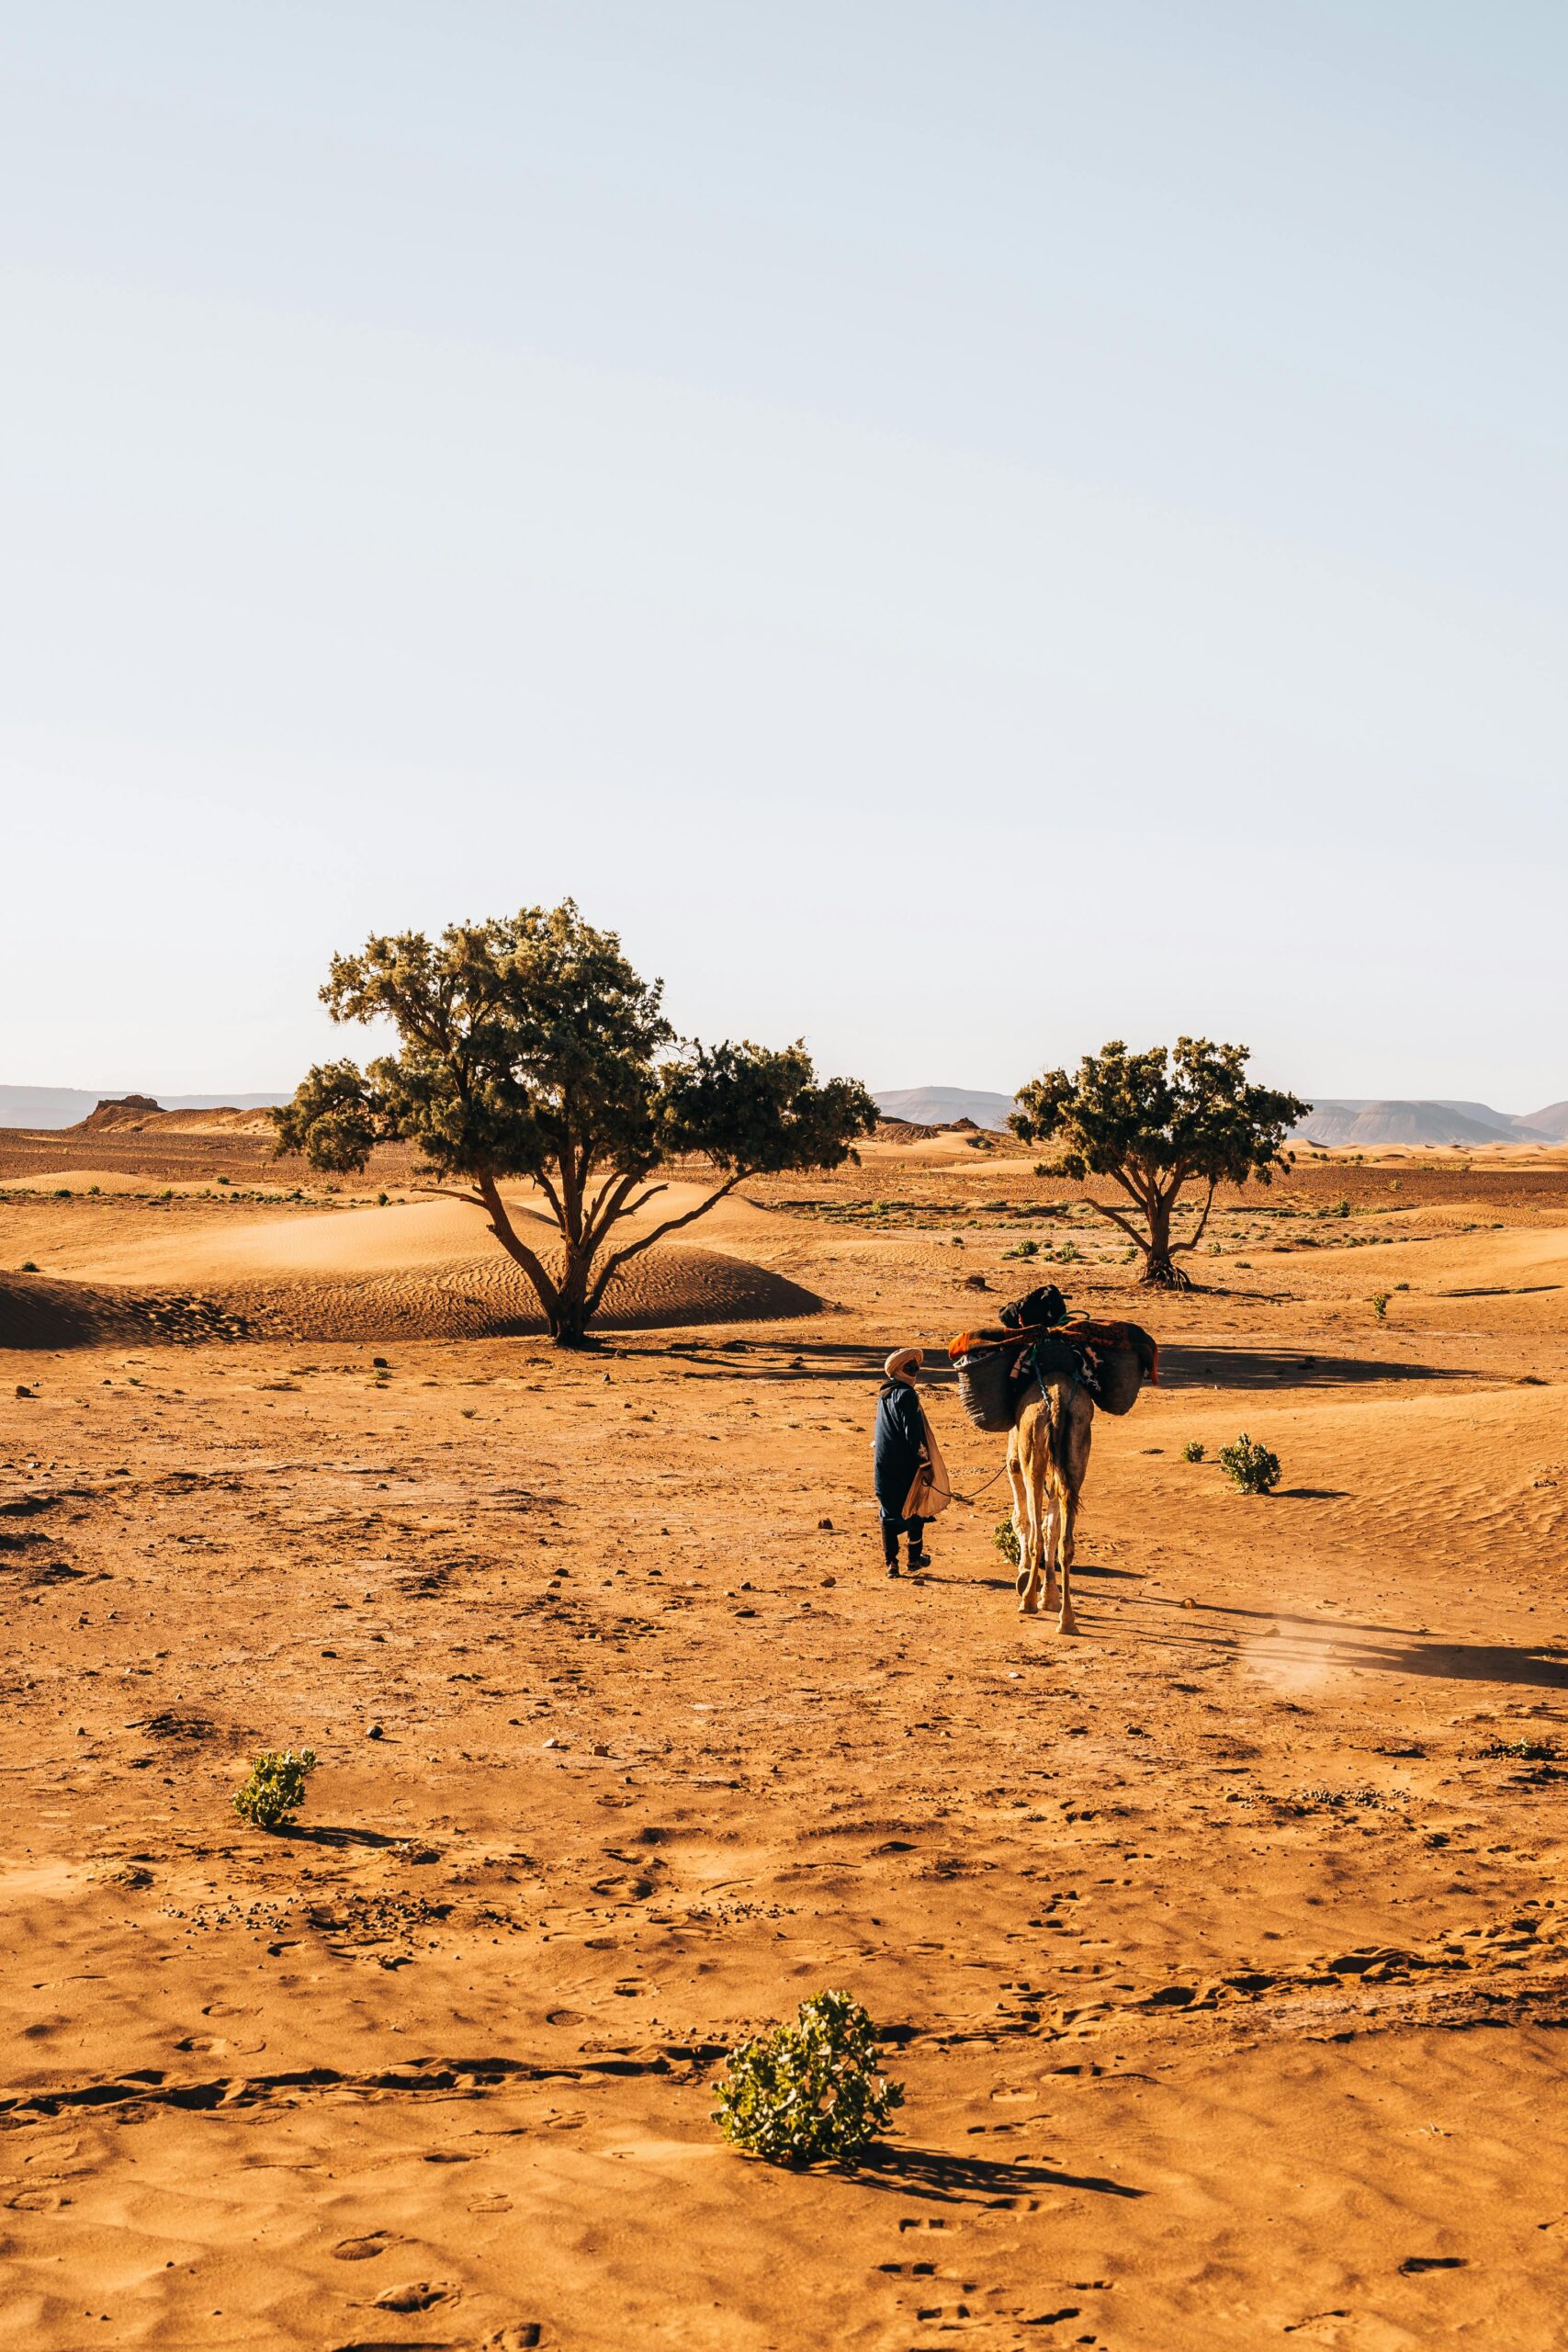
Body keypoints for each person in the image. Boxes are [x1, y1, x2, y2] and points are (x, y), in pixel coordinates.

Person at [872, 1347, 951, 1577]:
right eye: (910, 1368)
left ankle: (891, 1563)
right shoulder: (907, 1395)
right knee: (916, 1508)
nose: (914, 1372)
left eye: (916, 1368)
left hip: (883, 1464)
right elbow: (913, 1435)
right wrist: (925, 1465)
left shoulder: (884, 1395)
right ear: (898, 1370)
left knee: (888, 1513)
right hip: (907, 1466)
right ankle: (914, 1559)